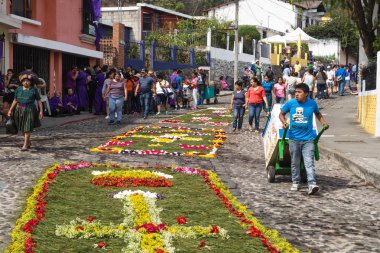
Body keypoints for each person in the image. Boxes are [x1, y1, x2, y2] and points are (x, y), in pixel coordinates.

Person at [279, 83, 329, 195]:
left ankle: (311, 184)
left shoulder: (312, 103)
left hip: (308, 139)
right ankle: (295, 182)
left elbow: (318, 114)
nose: (296, 94)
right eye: (296, 92)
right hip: (293, 138)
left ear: (306, 93)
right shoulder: (291, 103)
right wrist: (284, 122)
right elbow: (281, 114)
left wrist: (323, 123)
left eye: (299, 92)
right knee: (295, 162)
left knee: (309, 162)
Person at [7, 74, 43, 151]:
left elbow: (39, 101)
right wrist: (10, 110)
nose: (26, 82)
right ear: (22, 82)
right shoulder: (18, 89)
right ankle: (28, 142)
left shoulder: (34, 90)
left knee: (27, 127)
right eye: (24, 81)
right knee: (22, 128)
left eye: (28, 81)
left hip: (29, 110)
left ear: (30, 82)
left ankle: (25, 145)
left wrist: (41, 111)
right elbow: (15, 100)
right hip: (19, 110)